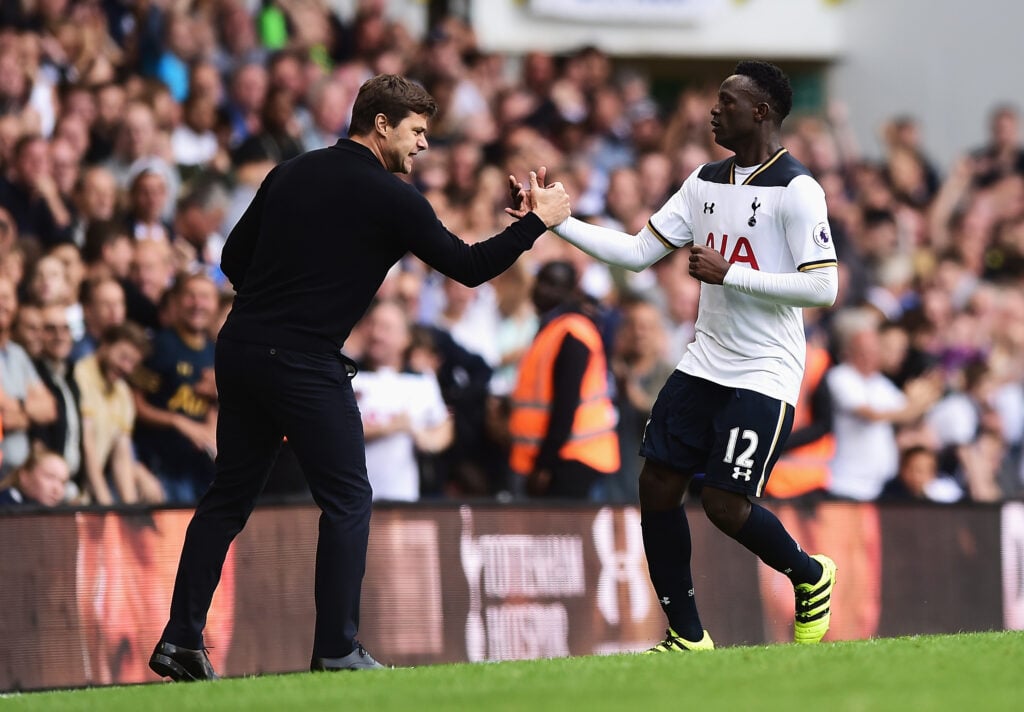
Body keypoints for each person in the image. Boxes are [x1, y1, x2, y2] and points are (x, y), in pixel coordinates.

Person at [149, 73, 570, 681]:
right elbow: (470, 268)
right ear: (381, 123)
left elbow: (231, 260)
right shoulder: (393, 199)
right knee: (348, 499)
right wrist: (538, 223)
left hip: (241, 348)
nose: (424, 144)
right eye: (417, 130)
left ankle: (181, 639)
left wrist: (284, 295)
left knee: (228, 499)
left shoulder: (289, 171)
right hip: (303, 360)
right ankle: (337, 649)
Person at [511, 61, 840, 649]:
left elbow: (823, 286)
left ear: (761, 112)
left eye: (727, 102)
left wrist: (731, 274)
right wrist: (554, 224)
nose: (714, 111)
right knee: (657, 484)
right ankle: (688, 635)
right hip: (705, 359)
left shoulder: (798, 189)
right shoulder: (703, 180)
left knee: (723, 503)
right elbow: (639, 252)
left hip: (765, 370)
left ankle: (810, 575)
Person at [507, 261, 620, 499]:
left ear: (570, 291)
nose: (543, 290)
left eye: (554, 285)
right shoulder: (553, 327)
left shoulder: (572, 332)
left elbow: (566, 404)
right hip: (559, 456)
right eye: (542, 281)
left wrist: (545, 464)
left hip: (572, 458)